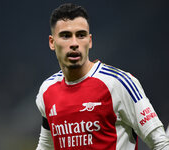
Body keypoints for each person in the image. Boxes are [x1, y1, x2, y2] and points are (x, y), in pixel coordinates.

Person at [35, 3, 169, 150]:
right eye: (66, 36)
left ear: (90, 41)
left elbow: (160, 143)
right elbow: (46, 146)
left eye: (81, 35)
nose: (74, 43)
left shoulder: (119, 83)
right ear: (52, 42)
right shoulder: (47, 90)